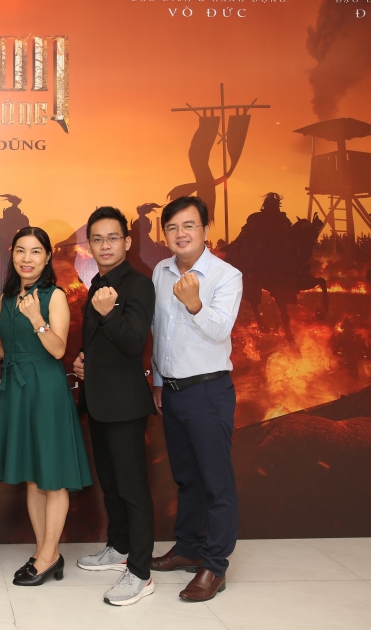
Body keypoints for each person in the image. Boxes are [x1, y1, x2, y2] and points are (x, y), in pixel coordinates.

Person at [0, 227, 91, 587]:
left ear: (47, 257)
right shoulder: (7, 298)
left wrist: (37, 319)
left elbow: (58, 349)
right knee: (33, 476)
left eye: (36, 251)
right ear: (12, 254)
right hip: (16, 389)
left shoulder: (53, 295)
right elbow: (5, 350)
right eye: (21, 251)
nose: (27, 258)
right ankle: (45, 551)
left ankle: (48, 555)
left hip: (45, 389)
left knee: (52, 477)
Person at [148, 196, 243, 602]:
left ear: (205, 230)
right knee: (187, 478)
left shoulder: (226, 275)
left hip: (208, 390)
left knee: (216, 482)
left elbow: (220, 330)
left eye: (189, 226)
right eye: (172, 227)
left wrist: (194, 304)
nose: (180, 234)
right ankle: (188, 547)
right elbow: (159, 330)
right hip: (172, 391)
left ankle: (214, 565)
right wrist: (157, 380)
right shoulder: (161, 270)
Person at [72, 207, 157, 606]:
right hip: (99, 400)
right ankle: (119, 547)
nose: (104, 245)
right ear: (90, 245)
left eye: (112, 238)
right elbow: (100, 344)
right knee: (110, 483)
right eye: (97, 239)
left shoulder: (138, 285)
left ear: (126, 241)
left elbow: (133, 342)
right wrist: (83, 360)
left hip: (125, 404)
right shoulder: (98, 283)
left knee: (132, 488)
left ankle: (140, 572)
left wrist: (108, 314)